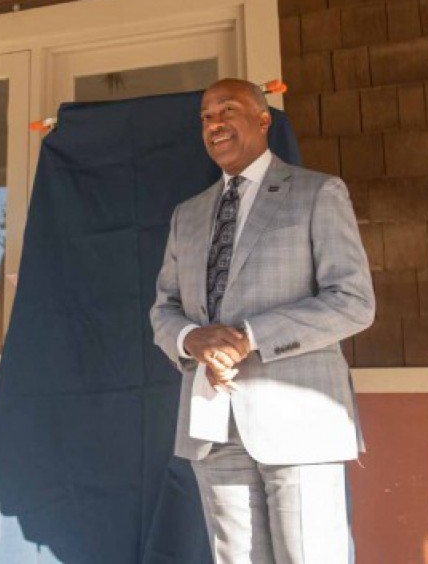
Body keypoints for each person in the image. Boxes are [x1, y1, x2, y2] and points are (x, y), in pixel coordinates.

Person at [150, 79, 375, 564]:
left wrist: (248, 338)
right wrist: (192, 339)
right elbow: (163, 310)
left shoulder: (317, 193)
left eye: (227, 109)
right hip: (213, 422)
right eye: (206, 117)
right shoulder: (186, 216)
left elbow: (354, 301)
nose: (214, 123)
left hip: (299, 419)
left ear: (263, 118)